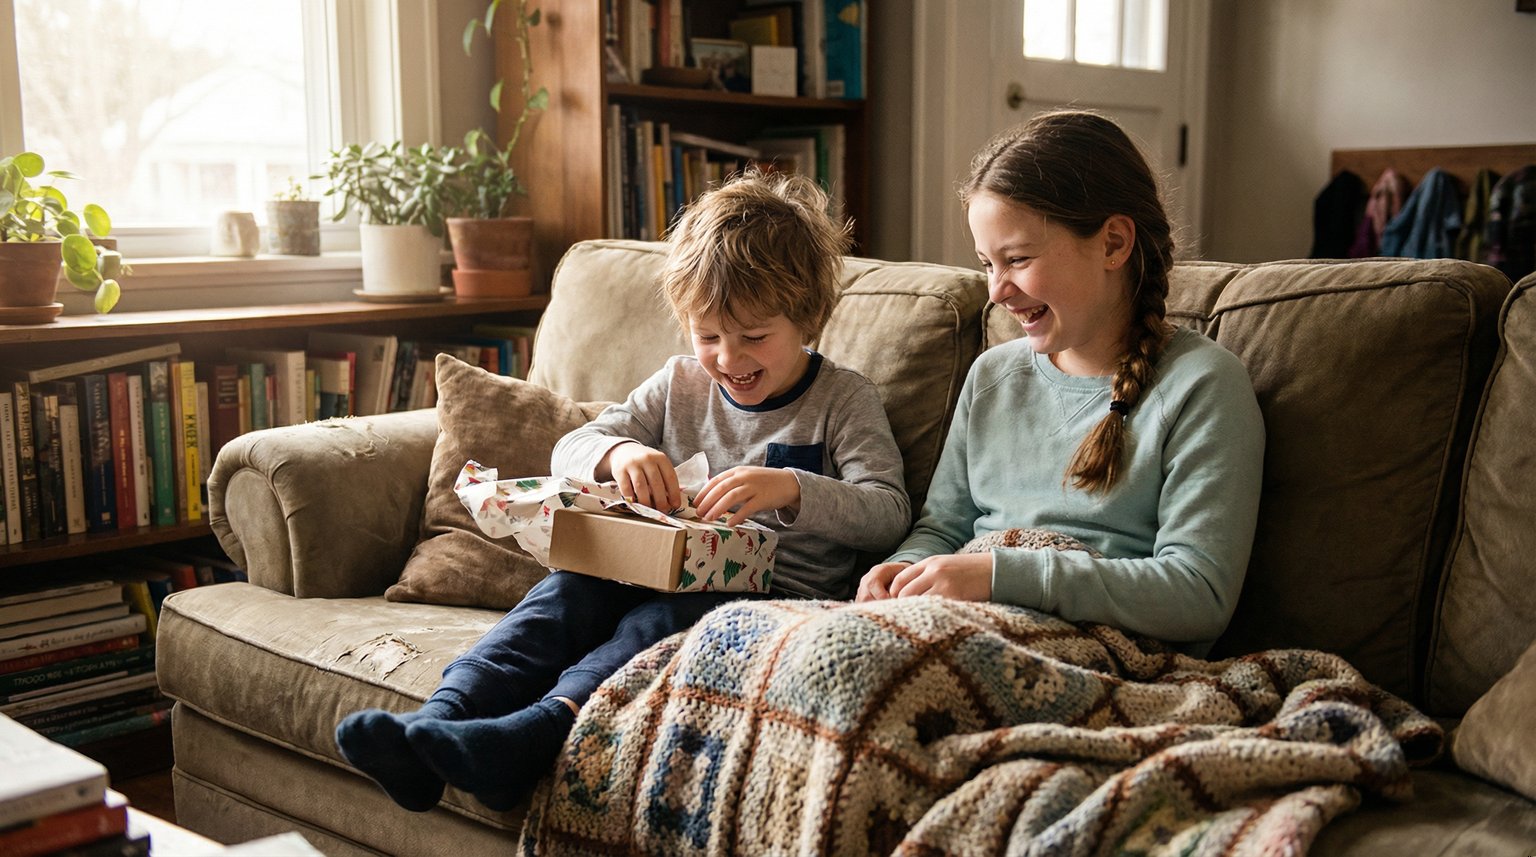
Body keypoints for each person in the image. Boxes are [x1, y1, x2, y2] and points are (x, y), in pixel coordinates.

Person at [336, 169, 911, 813]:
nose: (727, 358)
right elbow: (573, 448)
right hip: (650, 564)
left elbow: (888, 512)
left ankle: (531, 738)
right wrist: (621, 452)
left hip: (768, 596)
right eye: (708, 335)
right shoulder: (679, 382)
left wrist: (793, 489)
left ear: (807, 318)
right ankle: (435, 727)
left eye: (754, 337)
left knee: (654, 626)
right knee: (560, 596)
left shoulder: (843, 400)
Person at [857, 110, 1265, 652]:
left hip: (1098, 651)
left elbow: (1199, 594)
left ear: (1114, 244)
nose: (998, 291)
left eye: (1018, 259)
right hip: (967, 628)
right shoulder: (993, 377)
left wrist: (1001, 575)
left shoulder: (1202, 385)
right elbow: (943, 529)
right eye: (986, 264)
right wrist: (902, 569)